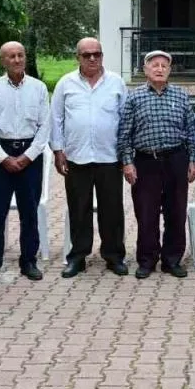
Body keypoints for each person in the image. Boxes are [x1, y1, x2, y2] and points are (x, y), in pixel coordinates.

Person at [52, 37, 129, 278]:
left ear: (102, 56)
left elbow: (126, 120)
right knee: (79, 209)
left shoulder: (116, 83)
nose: (93, 58)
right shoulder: (66, 84)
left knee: (112, 210)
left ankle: (114, 256)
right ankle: (77, 257)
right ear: (78, 57)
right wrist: (58, 150)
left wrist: (126, 155)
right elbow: (56, 119)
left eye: (97, 53)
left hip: (110, 157)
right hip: (77, 157)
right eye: (87, 55)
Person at [118, 50, 195, 279]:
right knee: (146, 214)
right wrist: (127, 163)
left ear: (169, 70)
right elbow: (124, 134)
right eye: (155, 65)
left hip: (176, 160)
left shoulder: (181, 96)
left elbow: (191, 131)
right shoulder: (134, 97)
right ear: (145, 70)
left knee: (176, 213)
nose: (160, 69)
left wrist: (193, 160)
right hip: (145, 162)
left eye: (164, 65)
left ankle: (172, 260)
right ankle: (147, 260)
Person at [0, 42, 50, 286]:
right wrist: (3, 157)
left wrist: (28, 156)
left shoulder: (39, 88)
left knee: (29, 212)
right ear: (3, 61)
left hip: (30, 156)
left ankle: (29, 261)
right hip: (0, 157)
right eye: (11, 56)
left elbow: (45, 126)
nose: (17, 60)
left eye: (20, 55)